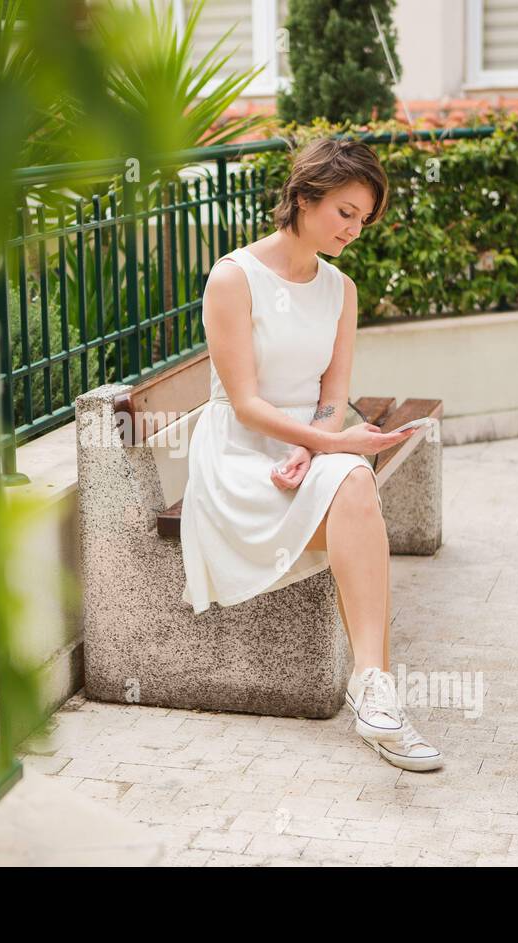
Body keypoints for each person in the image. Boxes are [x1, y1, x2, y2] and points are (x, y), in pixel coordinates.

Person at [178, 137, 442, 771]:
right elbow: (243, 403)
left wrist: (316, 443)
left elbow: (333, 395)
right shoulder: (233, 277)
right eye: (345, 212)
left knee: (353, 478)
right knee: (352, 473)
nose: (355, 229)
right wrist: (320, 443)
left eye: (364, 219)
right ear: (303, 197)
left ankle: (372, 687)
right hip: (240, 452)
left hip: (307, 440)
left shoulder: (341, 289)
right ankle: (377, 691)